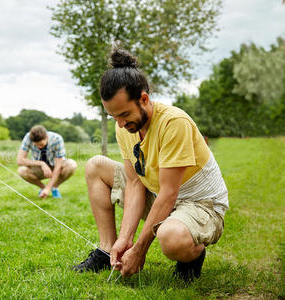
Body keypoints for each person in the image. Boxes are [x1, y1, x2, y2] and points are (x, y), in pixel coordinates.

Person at [72, 49, 229, 282]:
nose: (121, 124)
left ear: (144, 99)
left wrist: (139, 250)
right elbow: (135, 183)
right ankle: (106, 251)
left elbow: (168, 194)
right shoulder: (124, 126)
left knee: (170, 237)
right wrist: (125, 239)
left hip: (200, 205)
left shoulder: (174, 123)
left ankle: (192, 254)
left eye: (125, 114)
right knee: (95, 165)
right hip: (159, 196)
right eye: (114, 117)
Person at [17, 125, 77, 199]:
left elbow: (58, 166)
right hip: (39, 168)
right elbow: (20, 160)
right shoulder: (28, 137)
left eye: (41, 144)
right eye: (36, 145)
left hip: (55, 165)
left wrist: (49, 187)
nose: (39, 147)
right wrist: (42, 164)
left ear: (46, 137)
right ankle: (43, 188)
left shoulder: (57, 139)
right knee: (21, 170)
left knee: (72, 165)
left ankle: (54, 188)